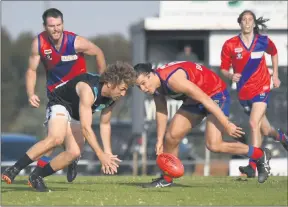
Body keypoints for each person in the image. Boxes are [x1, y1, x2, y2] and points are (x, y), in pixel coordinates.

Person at [133, 61, 272, 187]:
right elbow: (161, 111)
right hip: (195, 100)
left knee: (214, 144)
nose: (143, 89)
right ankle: (167, 179)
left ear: (150, 74)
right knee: (171, 137)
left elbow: (205, 99)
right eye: (139, 87)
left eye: (144, 83)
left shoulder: (173, 80)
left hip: (215, 94)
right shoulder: (155, 87)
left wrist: (226, 124)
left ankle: (260, 155)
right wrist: (159, 140)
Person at [2, 62, 136, 192]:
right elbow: (86, 128)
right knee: (56, 138)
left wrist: (107, 152)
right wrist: (100, 155)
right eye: (122, 88)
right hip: (60, 103)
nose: (124, 94)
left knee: (74, 152)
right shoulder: (88, 89)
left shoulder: (113, 98)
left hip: (76, 115)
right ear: (111, 83)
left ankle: (36, 176)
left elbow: (105, 124)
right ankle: (14, 169)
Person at [26, 8, 106, 183]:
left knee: (78, 143)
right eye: (51, 26)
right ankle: (37, 176)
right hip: (57, 96)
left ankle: (72, 160)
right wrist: (31, 93)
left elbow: (98, 52)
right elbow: (32, 70)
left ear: (63, 24)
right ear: (45, 26)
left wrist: (103, 80)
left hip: (79, 96)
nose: (56, 29)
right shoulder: (38, 44)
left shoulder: (76, 42)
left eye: (59, 25)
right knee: (54, 138)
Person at [220, 10, 287, 178]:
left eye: (250, 20)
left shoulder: (262, 41)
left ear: (254, 23)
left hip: (262, 87)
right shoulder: (230, 44)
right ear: (240, 23)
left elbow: (274, 53)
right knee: (264, 129)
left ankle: (254, 165)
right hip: (244, 92)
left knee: (252, 123)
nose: (247, 22)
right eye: (244, 20)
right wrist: (230, 75)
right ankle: (281, 137)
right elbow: (223, 69)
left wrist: (276, 75)